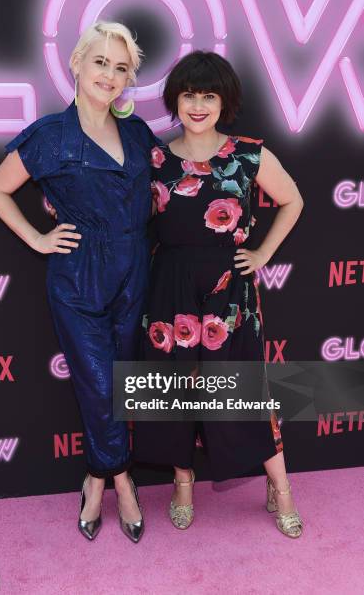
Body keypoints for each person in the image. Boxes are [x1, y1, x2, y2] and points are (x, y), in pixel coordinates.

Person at [0, 21, 161, 543]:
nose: (110, 74)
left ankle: (93, 475)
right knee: (101, 387)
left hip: (135, 274)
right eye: (101, 62)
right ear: (77, 64)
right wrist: (37, 239)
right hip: (78, 279)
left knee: (122, 385)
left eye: (121, 67)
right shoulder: (48, 135)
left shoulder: (135, 132)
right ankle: (120, 481)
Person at [133, 51, 304, 538]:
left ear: (224, 101)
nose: (198, 104)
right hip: (169, 287)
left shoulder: (248, 154)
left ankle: (282, 489)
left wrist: (263, 252)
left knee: (248, 392)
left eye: (209, 95)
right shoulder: (156, 159)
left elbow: (293, 199)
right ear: (175, 100)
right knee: (172, 393)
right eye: (189, 94)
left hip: (230, 292)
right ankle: (182, 484)